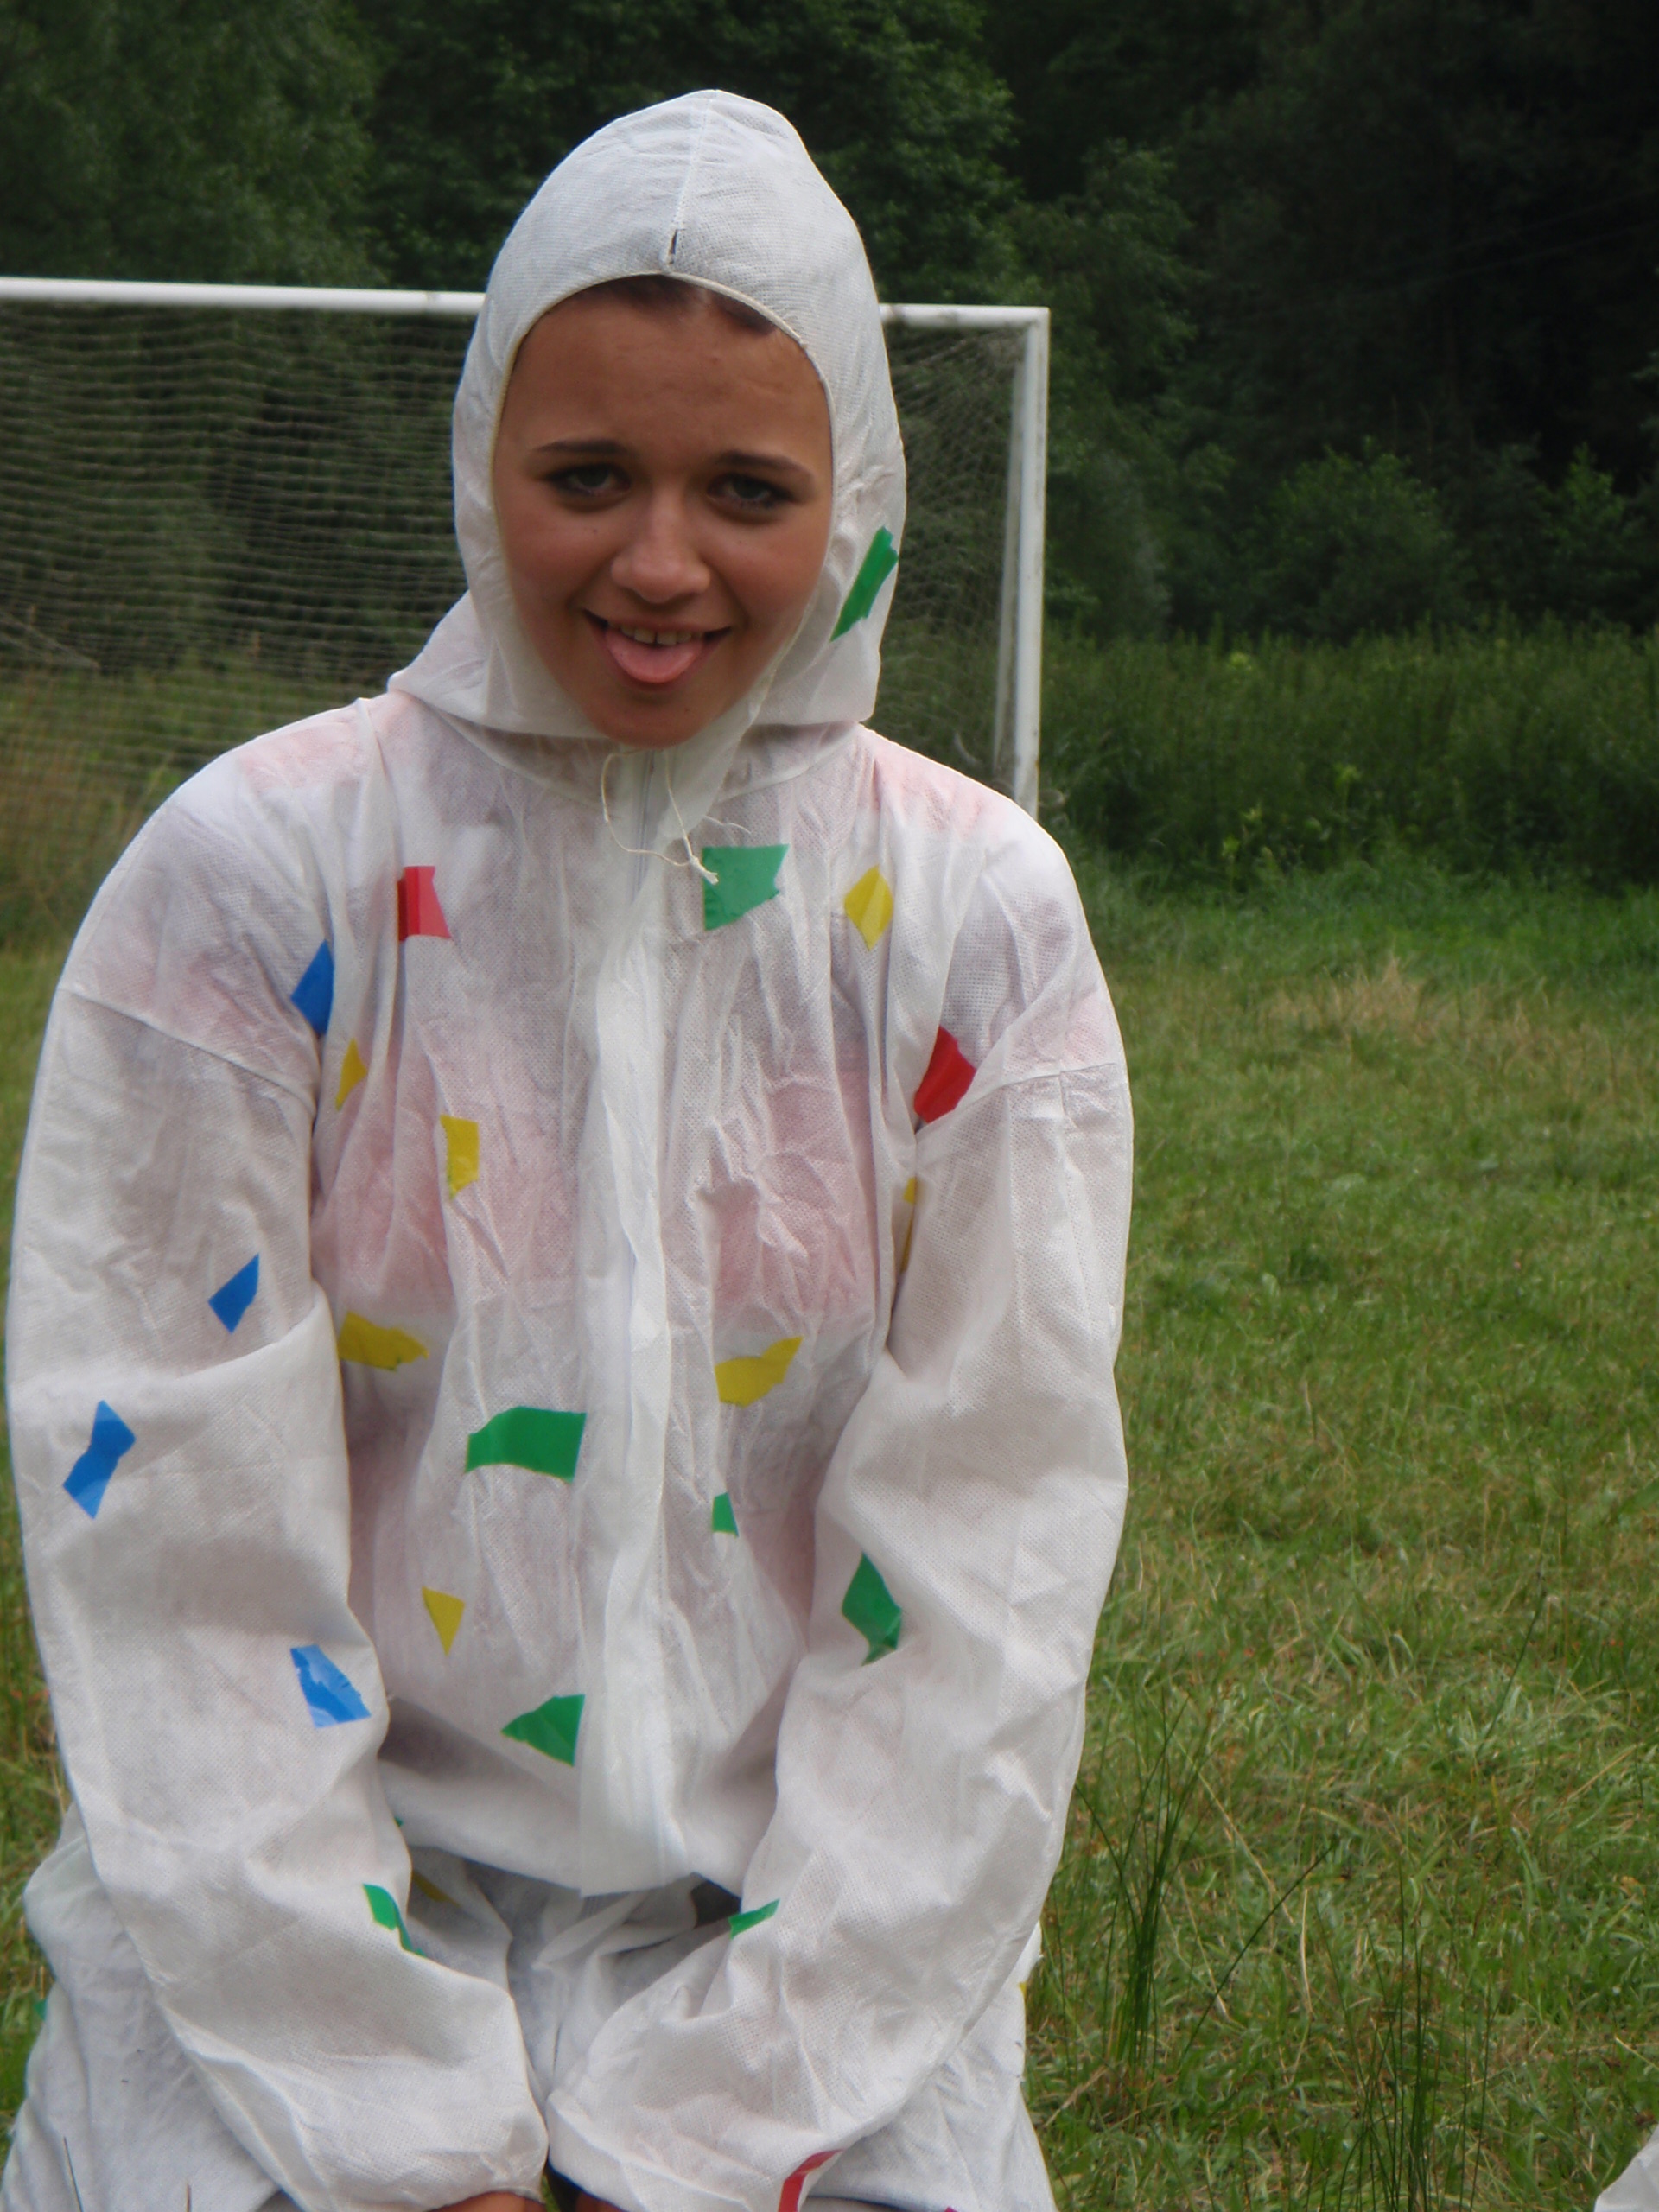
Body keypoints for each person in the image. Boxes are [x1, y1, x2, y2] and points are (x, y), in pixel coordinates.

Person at [1, 91, 1133, 2212]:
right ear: (481, 461)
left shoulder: (974, 926)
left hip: (793, 1955)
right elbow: (175, 1552)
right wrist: (393, 2118)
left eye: (748, 489)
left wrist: (729, 2107)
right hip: (299, 1941)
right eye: (589, 475)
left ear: (857, 501)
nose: (660, 561)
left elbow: (985, 1563)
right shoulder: (256, 882)